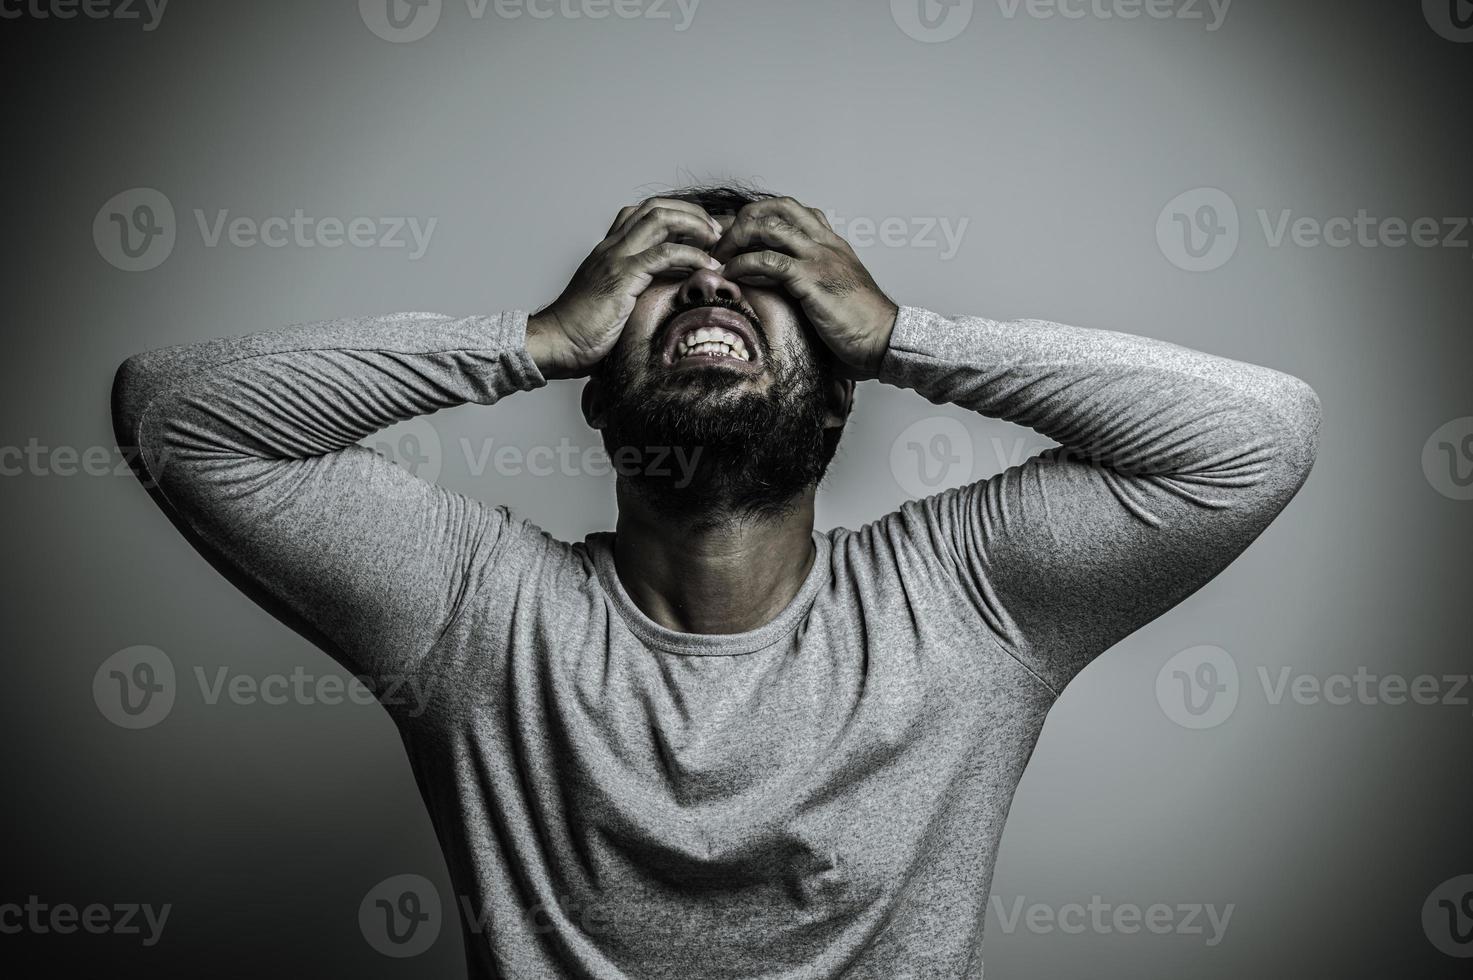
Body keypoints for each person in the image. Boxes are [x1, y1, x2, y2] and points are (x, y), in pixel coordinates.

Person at [112, 185, 1320, 978]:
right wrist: (530, 338)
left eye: (769, 283)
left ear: (842, 380)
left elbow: (1259, 436)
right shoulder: (478, 610)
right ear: (597, 381)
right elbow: (176, 415)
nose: (707, 287)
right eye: (665, 280)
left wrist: (905, 332)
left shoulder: (965, 604)